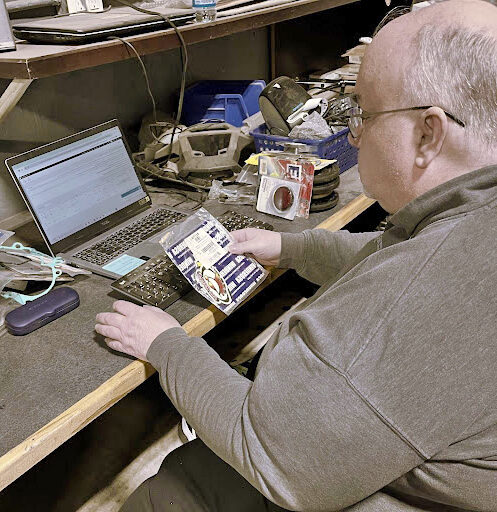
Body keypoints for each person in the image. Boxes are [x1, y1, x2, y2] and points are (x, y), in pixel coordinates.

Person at [95, 1, 497, 510]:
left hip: (349, 483)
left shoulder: (427, 291)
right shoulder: (470, 219)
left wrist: (167, 345)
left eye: (362, 114)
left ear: (427, 134)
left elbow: (278, 461)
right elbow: (389, 253)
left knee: (168, 491)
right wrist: (290, 247)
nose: (353, 131)